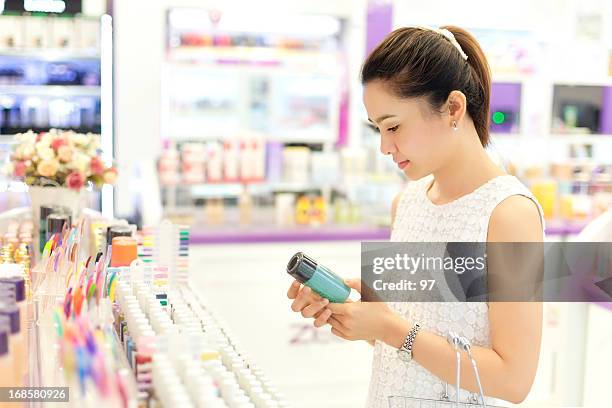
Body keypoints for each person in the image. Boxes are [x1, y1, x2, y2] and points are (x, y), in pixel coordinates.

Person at [287, 26, 544, 407]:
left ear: (454, 107)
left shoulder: (510, 215)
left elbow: (513, 380)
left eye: (393, 126)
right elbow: (410, 342)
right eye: (377, 129)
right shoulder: (406, 203)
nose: (384, 146)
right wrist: (361, 319)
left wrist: (390, 328)